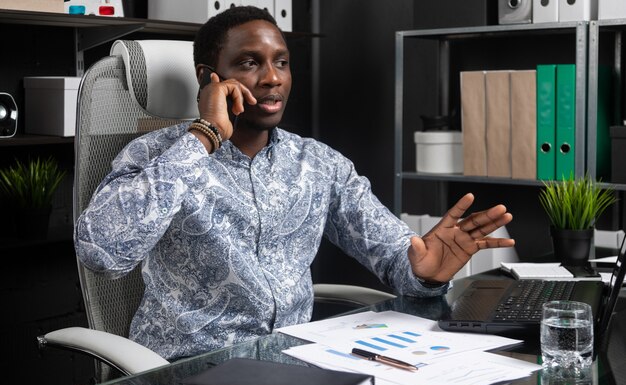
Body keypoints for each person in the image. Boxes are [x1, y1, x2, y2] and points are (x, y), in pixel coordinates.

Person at [74, 6, 515, 361]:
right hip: (189, 372)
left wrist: (423, 269)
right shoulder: (158, 155)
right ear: (209, 77)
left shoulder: (318, 164)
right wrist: (205, 135)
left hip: (294, 365)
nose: (273, 78)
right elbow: (102, 253)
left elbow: (396, 255)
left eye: (281, 63)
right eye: (250, 63)